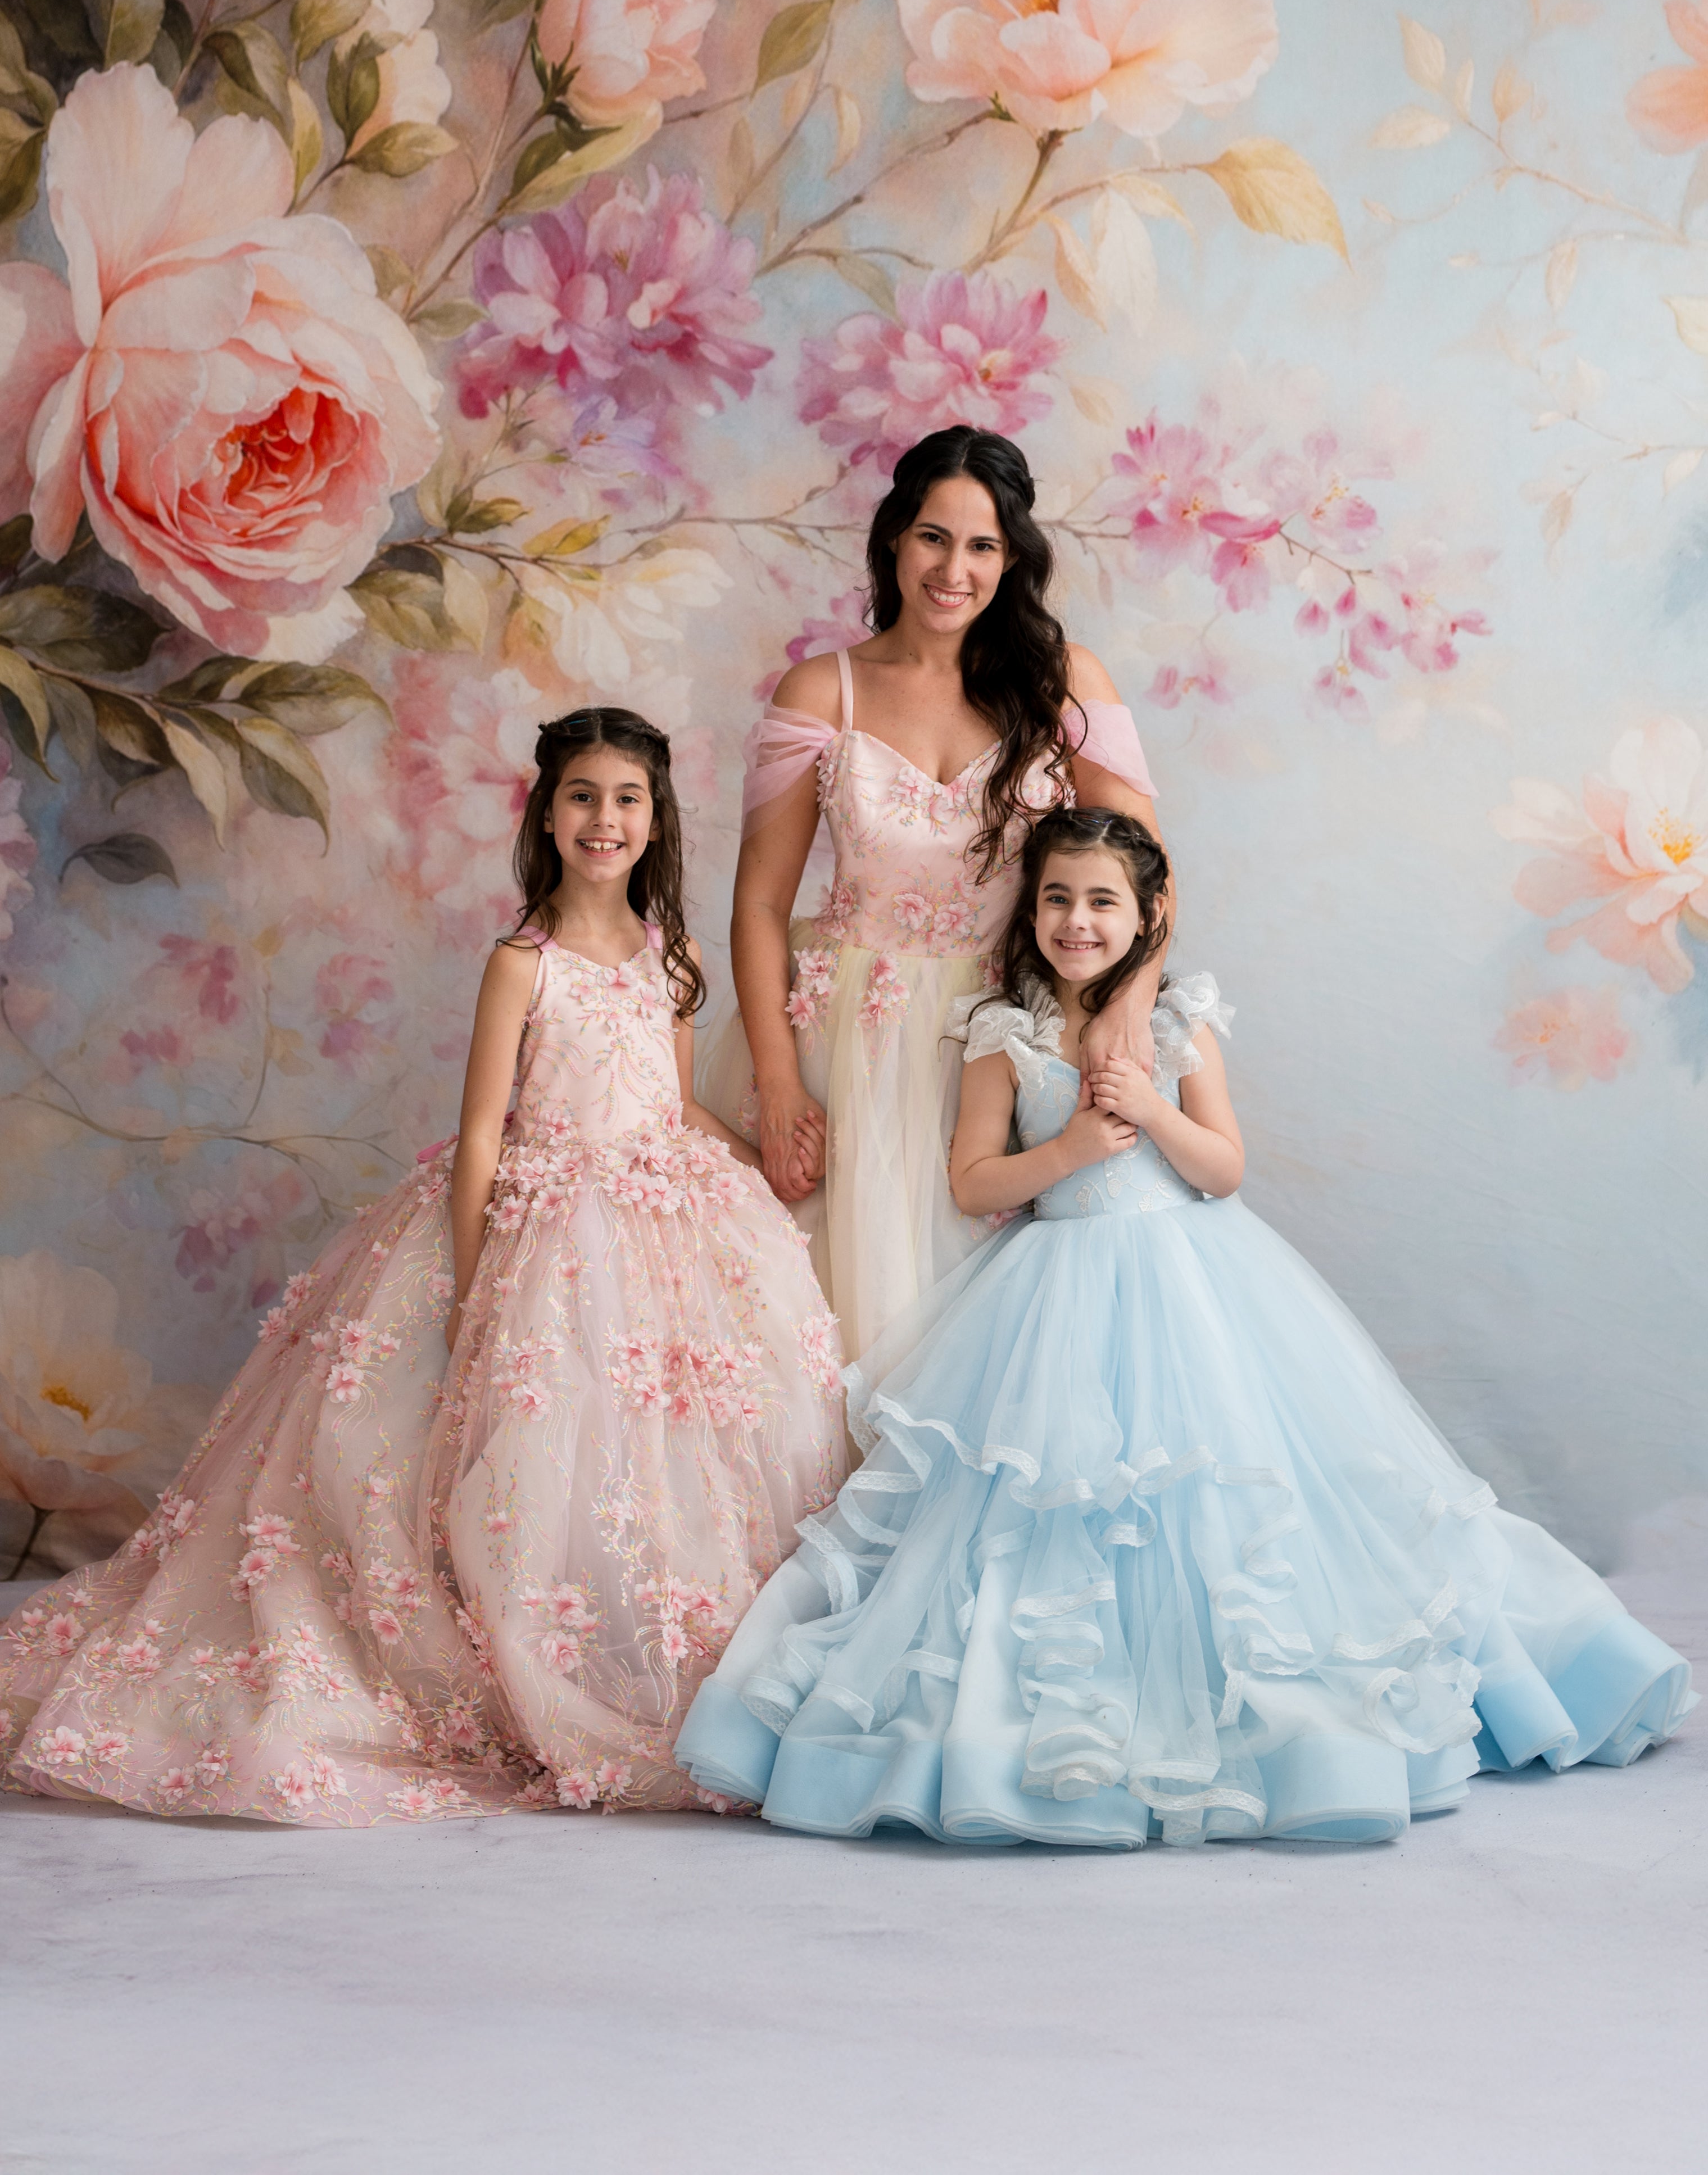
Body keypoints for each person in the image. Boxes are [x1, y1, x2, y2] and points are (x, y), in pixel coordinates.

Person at [677, 808, 1696, 1846]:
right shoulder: (1006, 1031)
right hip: (1053, 1294)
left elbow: (1224, 1170)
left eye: (1103, 901)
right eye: (1058, 899)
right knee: (1051, 1508)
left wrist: (1155, 1115)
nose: (1078, 921)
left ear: (1147, 913)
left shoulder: (1176, 1022)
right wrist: (1072, 1146)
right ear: (1031, 912)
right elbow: (974, 1177)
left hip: (1195, 1284)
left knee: (1227, 1498)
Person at [0, 709, 845, 1824]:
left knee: (663, 1439)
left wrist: (749, 1163)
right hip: (541, 1214)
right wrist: (474, 1267)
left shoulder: (669, 957)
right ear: (548, 812)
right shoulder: (522, 961)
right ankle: (518, 1662)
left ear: (656, 817)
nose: (605, 818)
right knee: (529, 1440)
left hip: (657, 1212)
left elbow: (671, 1094)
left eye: (627, 797)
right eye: (582, 795)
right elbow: (487, 1127)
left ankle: (635, 1654)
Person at [722, 424, 1160, 1363]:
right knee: (831, 1323)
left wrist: (1128, 1003)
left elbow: (1147, 875)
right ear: (893, 538)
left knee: (988, 1342)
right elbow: (760, 903)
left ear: (1012, 558)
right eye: (933, 535)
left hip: (1003, 1038)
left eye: (982, 545)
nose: (952, 568)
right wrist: (778, 1079)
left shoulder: (1064, 684)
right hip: (846, 1040)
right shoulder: (821, 690)